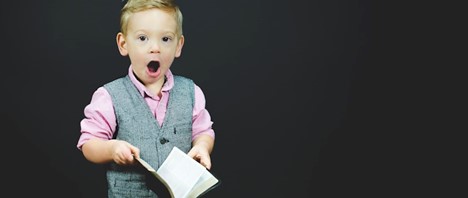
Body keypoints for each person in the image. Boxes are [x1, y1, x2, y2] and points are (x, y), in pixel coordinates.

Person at [76, 0, 215, 196]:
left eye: (166, 39)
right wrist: (111, 148)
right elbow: (88, 143)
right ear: (124, 44)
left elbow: (203, 131)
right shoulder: (109, 96)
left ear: (178, 46)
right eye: (143, 38)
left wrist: (202, 145)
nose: (155, 48)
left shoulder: (191, 92)